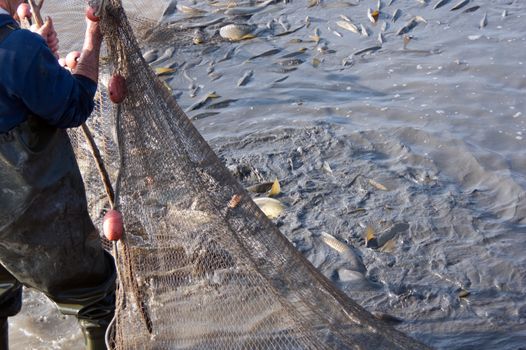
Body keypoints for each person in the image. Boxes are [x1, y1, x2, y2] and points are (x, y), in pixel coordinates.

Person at [0, 1, 116, 349]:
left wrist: (34, 51)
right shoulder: (19, 49)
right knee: (95, 297)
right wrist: (93, 38)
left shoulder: (19, 47)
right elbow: (75, 105)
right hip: (29, 211)